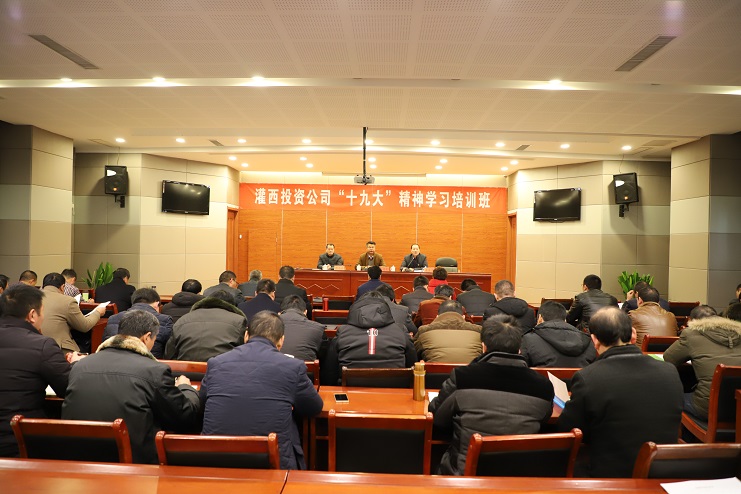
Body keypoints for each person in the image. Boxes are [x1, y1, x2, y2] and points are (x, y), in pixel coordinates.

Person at [557, 307, 683, 478]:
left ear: (594, 340)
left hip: (612, 475)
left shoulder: (588, 377)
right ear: (633, 334)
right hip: (664, 473)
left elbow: (569, 429)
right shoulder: (670, 371)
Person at [62, 310, 201, 464]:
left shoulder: (80, 366)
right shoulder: (154, 370)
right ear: (147, 337)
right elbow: (184, 416)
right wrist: (185, 387)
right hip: (134, 462)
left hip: (77, 458)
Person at [429, 315, 554, 475]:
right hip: (519, 478)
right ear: (519, 349)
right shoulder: (544, 387)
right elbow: (544, 420)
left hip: (465, 476)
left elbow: (438, 417)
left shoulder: (463, 377)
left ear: (484, 347)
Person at [200, 311, 323, 469]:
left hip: (215, 462)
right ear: (281, 341)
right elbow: (314, 407)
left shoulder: (216, 363)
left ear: (246, 335)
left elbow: (202, 404)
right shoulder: (293, 366)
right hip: (272, 464)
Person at [0, 284, 72, 457]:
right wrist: (74, 365)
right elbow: (68, 388)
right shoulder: (42, 345)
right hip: (18, 442)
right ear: (32, 315)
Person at [664, 304, 741, 420]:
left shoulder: (691, 334)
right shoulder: (738, 333)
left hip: (708, 407)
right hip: (738, 405)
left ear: (691, 321)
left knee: (670, 397)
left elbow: (669, 358)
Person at [324, 292, 416, 385]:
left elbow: (330, 370)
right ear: (385, 309)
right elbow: (414, 365)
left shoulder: (343, 331)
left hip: (351, 390)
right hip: (395, 389)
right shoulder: (400, 330)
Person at [165, 290, 247, 362]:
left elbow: (169, 354)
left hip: (184, 372)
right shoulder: (238, 321)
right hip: (222, 371)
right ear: (232, 306)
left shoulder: (183, 319)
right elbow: (245, 353)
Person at [40, 272, 105, 353]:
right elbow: (85, 326)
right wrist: (98, 312)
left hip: (34, 347)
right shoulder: (67, 301)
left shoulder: (31, 298)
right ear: (62, 287)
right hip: (58, 350)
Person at [520, 301, 596, 368]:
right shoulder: (588, 341)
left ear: (540, 318)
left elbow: (522, 370)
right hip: (578, 380)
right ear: (565, 320)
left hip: (543, 380)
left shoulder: (528, 339)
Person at [103, 288, 172, 358]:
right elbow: (170, 350)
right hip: (150, 362)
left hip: (114, 360)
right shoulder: (165, 320)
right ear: (157, 303)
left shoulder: (113, 318)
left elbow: (105, 344)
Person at [414, 300, 482, 362]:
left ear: (437, 316)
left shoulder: (424, 331)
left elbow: (414, 356)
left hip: (435, 371)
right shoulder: (478, 331)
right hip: (471, 371)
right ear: (463, 317)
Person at [279, 294, 325, 361]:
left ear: (280, 313)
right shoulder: (318, 328)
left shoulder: (267, 325)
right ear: (305, 312)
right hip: (305, 367)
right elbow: (323, 356)